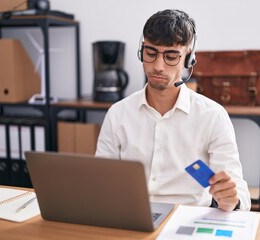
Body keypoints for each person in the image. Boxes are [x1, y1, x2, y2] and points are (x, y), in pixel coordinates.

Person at [95, 9, 251, 211]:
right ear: (141, 51)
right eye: (151, 54)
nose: (158, 66)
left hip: (187, 217)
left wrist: (232, 199)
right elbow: (100, 181)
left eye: (170, 57)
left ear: (188, 59)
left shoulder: (212, 116)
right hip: (132, 214)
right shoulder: (118, 114)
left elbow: (238, 191)